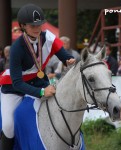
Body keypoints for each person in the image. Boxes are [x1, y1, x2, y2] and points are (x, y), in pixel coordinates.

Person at [0, 4, 75, 150]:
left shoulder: (48, 37)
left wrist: (69, 60)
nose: (37, 28)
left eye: (39, 24)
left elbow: (63, 54)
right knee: (8, 126)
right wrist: (41, 93)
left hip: (38, 81)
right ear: (22, 26)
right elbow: (17, 83)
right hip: (14, 87)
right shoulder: (16, 48)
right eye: (32, 25)